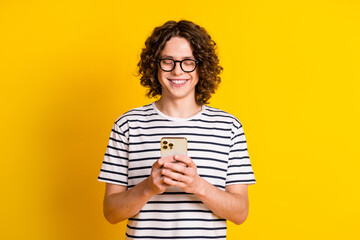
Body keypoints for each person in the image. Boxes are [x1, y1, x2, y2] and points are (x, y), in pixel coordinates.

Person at [98, 20, 256, 240]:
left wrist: (197, 185)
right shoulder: (127, 125)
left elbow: (240, 213)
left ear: (202, 66)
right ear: (155, 65)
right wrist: (149, 187)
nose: (177, 71)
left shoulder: (229, 127)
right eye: (168, 61)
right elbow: (111, 213)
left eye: (188, 62)